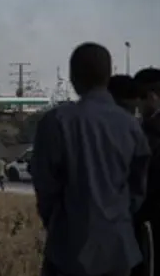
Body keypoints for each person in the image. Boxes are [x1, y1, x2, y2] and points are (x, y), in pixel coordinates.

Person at [32, 43, 150, 276]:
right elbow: (138, 189)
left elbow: (45, 187)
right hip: (119, 249)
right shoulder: (131, 126)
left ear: (73, 77)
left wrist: (57, 223)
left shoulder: (56, 122)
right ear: (108, 75)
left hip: (68, 249)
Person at [133, 67, 160, 276]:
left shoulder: (151, 133)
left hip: (150, 224)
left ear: (151, 97)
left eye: (138, 100)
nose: (137, 106)